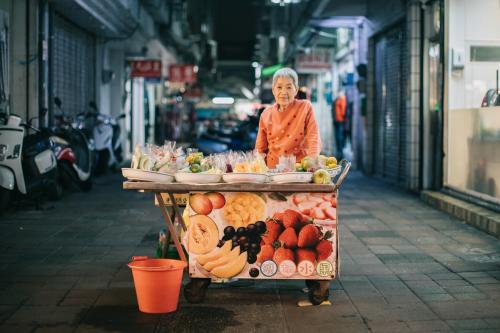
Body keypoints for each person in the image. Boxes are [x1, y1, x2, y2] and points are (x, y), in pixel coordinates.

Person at [255, 67, 321, 168]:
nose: (284, 92)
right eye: (279, 87)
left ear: (296, 90)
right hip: (273, 171)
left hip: (300, 169)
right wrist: (258, 169)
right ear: (273, 90)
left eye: (289, 87)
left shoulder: (305, 107)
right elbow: (260, 148)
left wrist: (313, 161)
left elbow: (313, 136)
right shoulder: (266, 114)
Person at [333, 90, 347, 160]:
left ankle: (340, 153)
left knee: (340, 137)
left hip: (340, 120)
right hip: (337, 120)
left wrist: (342, 117)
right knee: (337, 137)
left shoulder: (342, 98)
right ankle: (339, 152)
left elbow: (343, 110)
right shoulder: (339, 99)